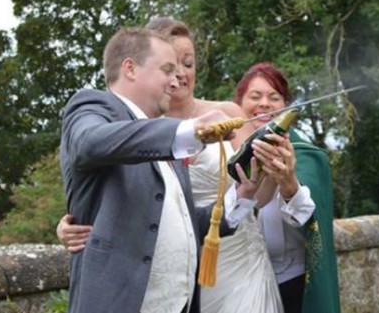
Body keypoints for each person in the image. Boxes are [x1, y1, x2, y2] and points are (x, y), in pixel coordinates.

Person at [58, 19, 286, 313]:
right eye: (167, 69)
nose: (176, 79)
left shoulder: (171, 144)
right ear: (130, 68)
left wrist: (241, 197)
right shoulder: (93, 106)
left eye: (183, 67)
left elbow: (189, 225)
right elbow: (89, 142)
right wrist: (191, 132)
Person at [234, 62, 342, 313]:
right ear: (238, 104)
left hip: (292, 283)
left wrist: (289, 182)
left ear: (286, 107)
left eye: (274, 97)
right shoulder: (224, 153)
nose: (264, 104)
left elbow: (308, 217)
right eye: (255, 96)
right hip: (238, 283)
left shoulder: (306, 155)